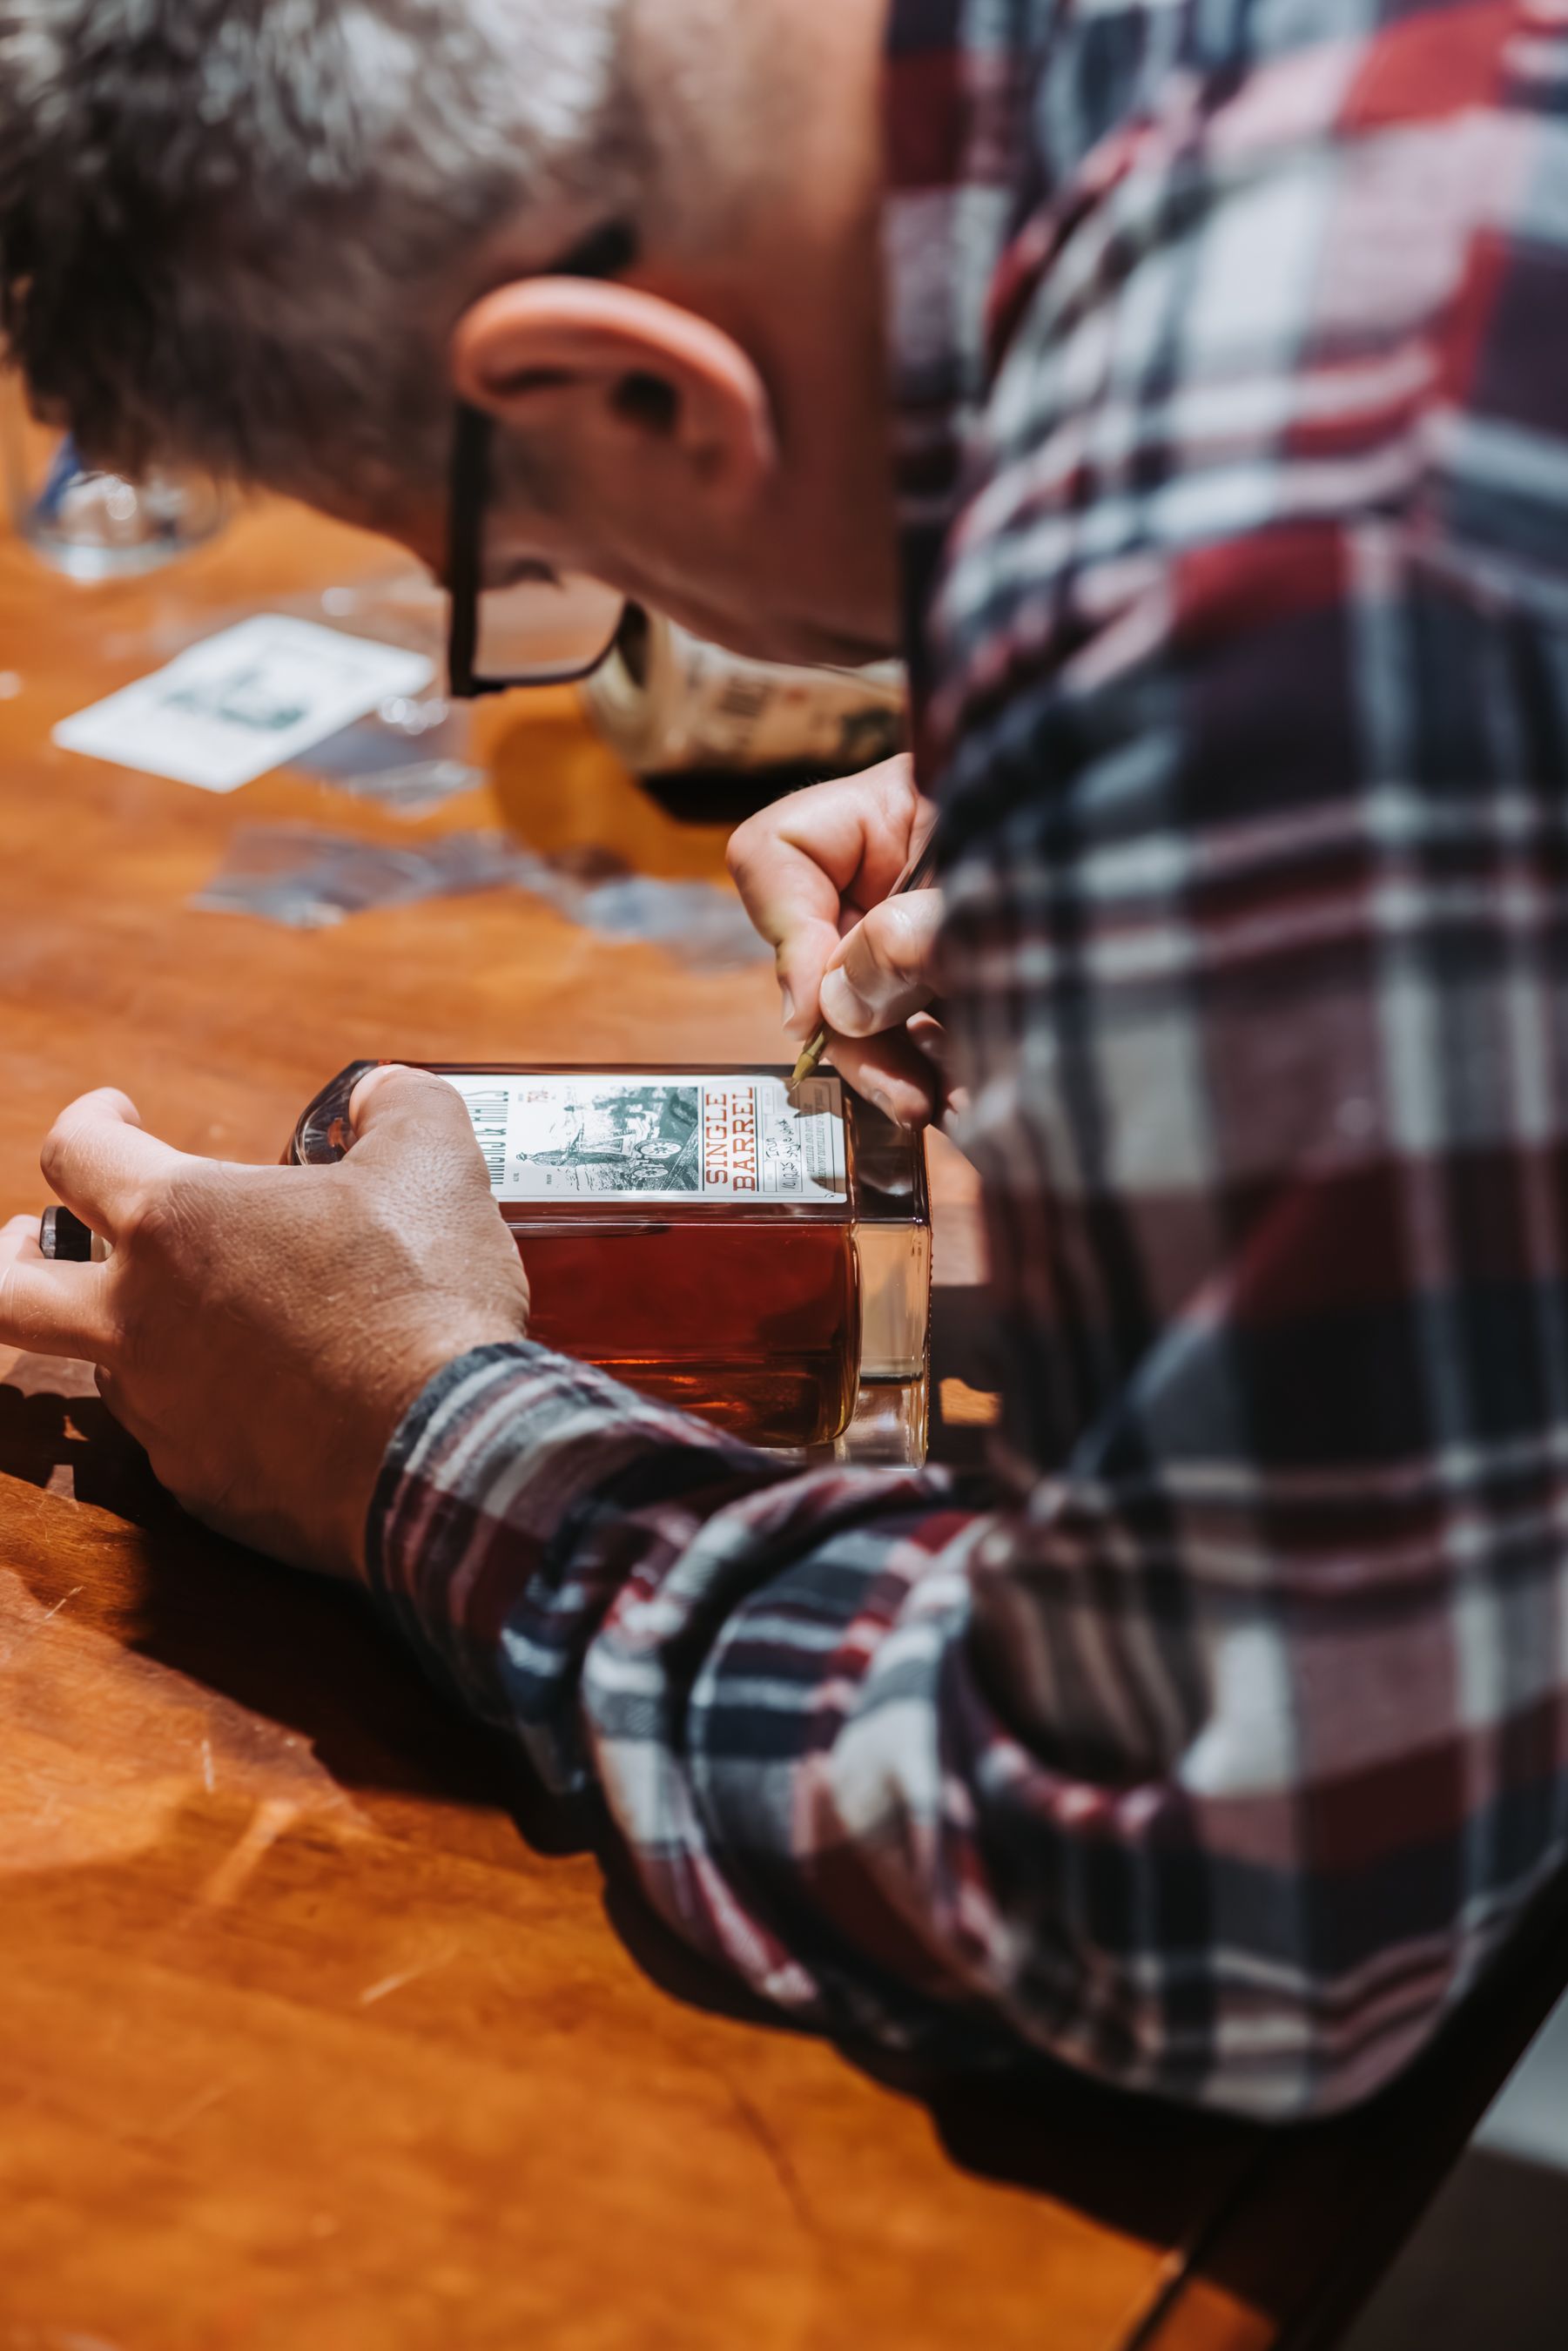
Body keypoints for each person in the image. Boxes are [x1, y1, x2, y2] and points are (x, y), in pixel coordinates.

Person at [1, 0, 1565, 2119]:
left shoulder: (1265, 567)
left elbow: (1229, 1899)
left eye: (536, 573)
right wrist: (1159, 814)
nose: (566, 607)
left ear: (623, 384)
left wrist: (401, 1437)